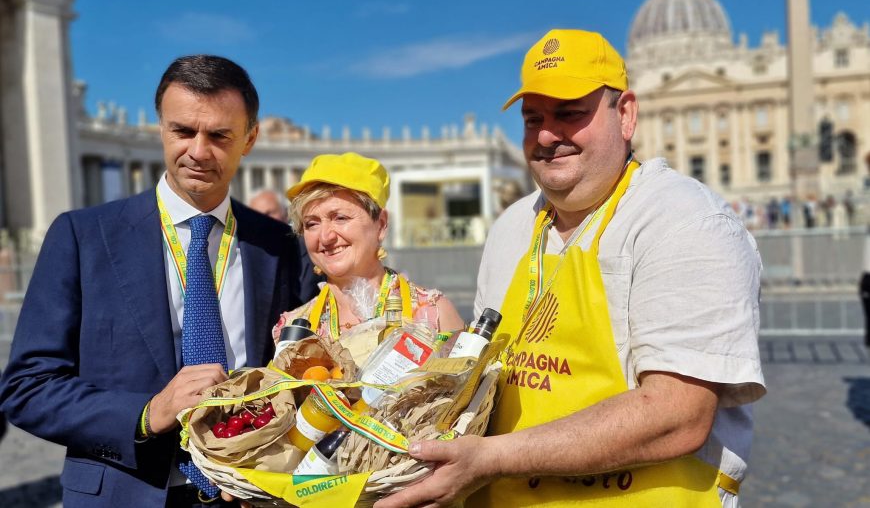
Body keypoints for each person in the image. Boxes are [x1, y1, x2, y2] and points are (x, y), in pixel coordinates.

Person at [375, 30, 765, 507]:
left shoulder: (686, 221)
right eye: (532, 118)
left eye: (569, 113)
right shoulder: (511, 228)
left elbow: (675, 414)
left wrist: (492, 459)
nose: (545, 135)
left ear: (625, 115)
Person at [0, 55, 318, 507]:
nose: (199, 150)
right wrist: (148, 413)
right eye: (183, 131)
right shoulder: (84, 236)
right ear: (160, 129)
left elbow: (307, 367)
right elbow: (27, 388)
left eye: (219, 135)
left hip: (251, 494)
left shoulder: (280, 245)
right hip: (123, 493)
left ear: (250, 138)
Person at [273, 152, 465, 346]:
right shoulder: (293, 332)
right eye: (311, 224)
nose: (325, 237)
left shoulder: (433, 313)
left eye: (340, 218)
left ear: (380, 224)